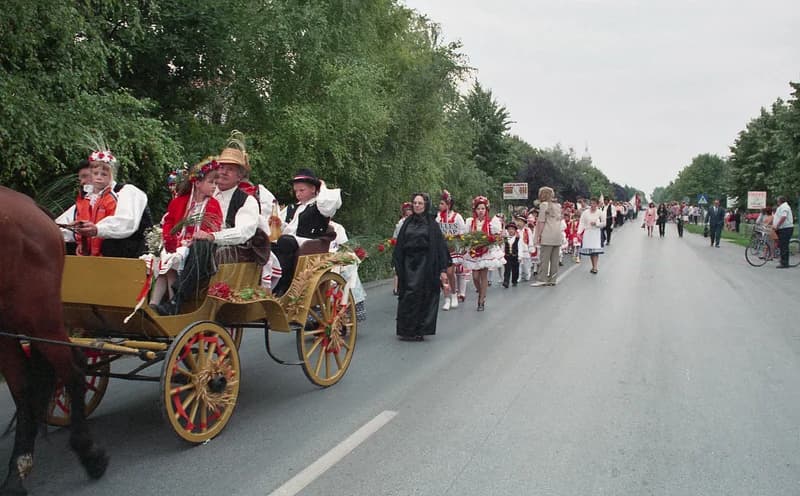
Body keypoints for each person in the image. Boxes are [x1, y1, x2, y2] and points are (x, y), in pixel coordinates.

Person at [151, 158, 223, 312]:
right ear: (197, 183)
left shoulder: (213, 205)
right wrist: (169, 237)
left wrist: (194, 239)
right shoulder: (180, 201)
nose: (214, 186)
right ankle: (153, 303)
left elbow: (213, 227)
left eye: (216, 183)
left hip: (194, 247)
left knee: (173, 261)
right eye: (211, 182)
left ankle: (173, 304)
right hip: (177, 243)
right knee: (165, 260)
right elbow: (169, 221)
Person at [273, 168, 342, 294]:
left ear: (313, 189)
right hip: (292, 241)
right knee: (273, 244)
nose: (298, 194)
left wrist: (322, 186)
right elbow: (291, 228)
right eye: (296, 191)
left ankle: (284, 285)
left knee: (285, 242)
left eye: (302, 190)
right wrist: (280, 225)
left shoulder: (319, 205)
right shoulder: (294, 208)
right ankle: (271, 281)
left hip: (310, 242)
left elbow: (329, 204)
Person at [72, 148, 151, 257]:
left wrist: (97, 229)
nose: (82, 182)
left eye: (103, 174)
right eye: (95, 173)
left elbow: (126, 222)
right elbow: (68, 221)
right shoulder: (89, 198)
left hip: (126, 257)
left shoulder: (127, 191)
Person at [393, 193, 450, 341]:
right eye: (415, 203)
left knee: (423, 295)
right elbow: (399, 245)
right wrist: (398, 265)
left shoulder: (432, 225)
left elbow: (440, 247)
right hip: (408, 263)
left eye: (420, 203)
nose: (417, 205)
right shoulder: (406, 223)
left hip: (426, 264)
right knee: (408, 294)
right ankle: (406, 329)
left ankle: (420, 329)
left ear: (425, 205)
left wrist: (442, 269)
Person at [462, 196, 505, 311]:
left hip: (486, 251)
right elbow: (466, 236)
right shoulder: (470, 222)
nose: (481, 211)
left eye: (483, 208)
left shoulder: (492, 222)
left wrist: (492, 240)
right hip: (474, 251)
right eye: (478, 208)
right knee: (475, 276)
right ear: (475, 210)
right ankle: (481, 292)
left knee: (483, 275)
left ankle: (481, 301)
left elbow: (497, 236)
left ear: (486, 210)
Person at [436, 190, 467, 310]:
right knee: (443, 276)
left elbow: (463, 232)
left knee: (450, 273)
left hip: (453, 248)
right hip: (442, 249)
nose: (440, 206)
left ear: (448, 205)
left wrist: (457, 240)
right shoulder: (439, 218)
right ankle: (447, 298)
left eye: (442, 203)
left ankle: (454, 294)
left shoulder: (457, 217)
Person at [55, 159, 92, 255]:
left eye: (85, 176)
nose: (82, 182)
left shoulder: (119, 195)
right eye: (80, 179)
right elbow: (58, 227)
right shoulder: (81, 203)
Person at [531, 187, 563, 287]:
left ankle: (542, 278)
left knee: (544, 258)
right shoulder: (558, 205)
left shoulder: (544, 205)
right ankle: (553, 279)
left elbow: (541, 222)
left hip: (547, 234)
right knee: (554, 259)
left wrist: (537, 236)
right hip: (557, 234)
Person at [392, 202, 413, 296]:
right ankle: (397, 288)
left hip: (410, 247)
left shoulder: (412, 221)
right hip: (403, 247)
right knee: (399, 267)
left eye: (409, 209)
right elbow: (395, 237)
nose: (408, 211)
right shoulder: (401, 223)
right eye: (407, 210)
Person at [579, 197, 605, 274]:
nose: (592, 205)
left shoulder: (600, 212)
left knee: (595, 251)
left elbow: (604, 223)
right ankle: (593, 266)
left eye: (594, 203)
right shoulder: (585, 212)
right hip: (588, 233)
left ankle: (595, 267)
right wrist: (579, 232)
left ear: (597, 204)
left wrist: (597, 224)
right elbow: (582, 223)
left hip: (596, 233)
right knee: (591, 251)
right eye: (591, 203)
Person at [773, 196, 795, 268]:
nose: (777, 202)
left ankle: (784, 263)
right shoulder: (782, 207)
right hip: (782, 228)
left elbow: (783, 217)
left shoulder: (785, 207)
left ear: (780, 201)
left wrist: (777, 226)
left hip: (786, 228)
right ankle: (783, 260)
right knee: (782, 245)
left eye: (777, 200)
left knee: (784, 245)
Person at [502, 223, 520, 288]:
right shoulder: (505, 238)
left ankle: (514, 280)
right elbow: (503, 247)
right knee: (507, 269)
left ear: (515, 230)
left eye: (512, 229)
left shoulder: (517, 238)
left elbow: (520, 247)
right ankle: (506, 281)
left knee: (515, 269)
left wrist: (520, 256)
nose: (511, 231)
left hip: (515, 256)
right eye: (509, 229)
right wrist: (502, 255)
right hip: (507, 256)